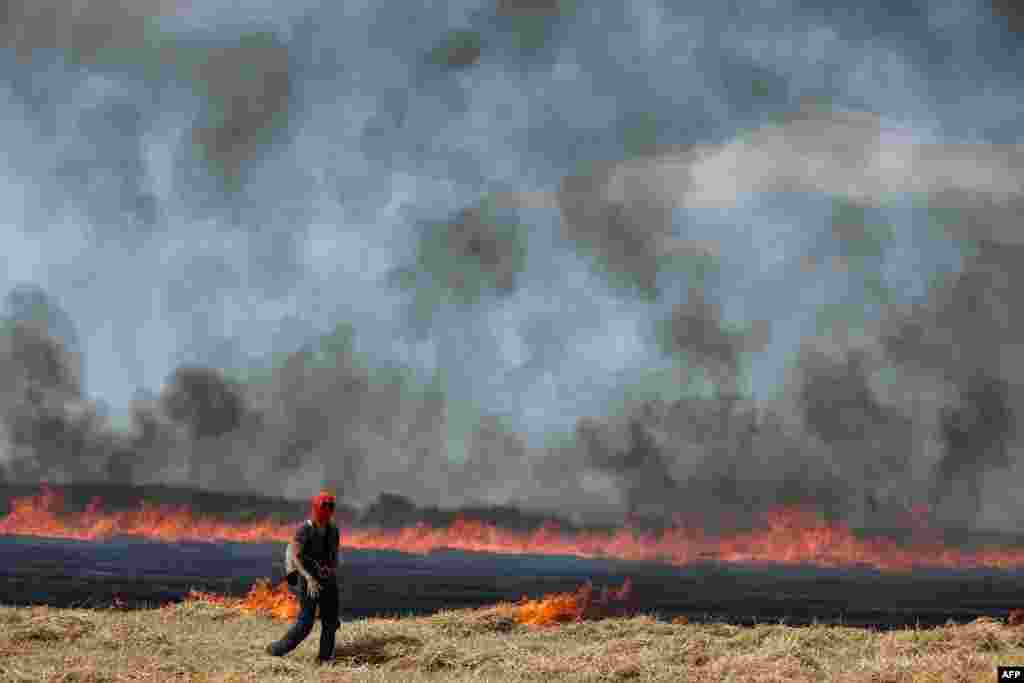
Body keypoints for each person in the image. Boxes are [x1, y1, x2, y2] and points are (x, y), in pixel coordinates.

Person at [266, 490, 342, 663]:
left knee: (330, 621)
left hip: (327, 579)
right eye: (324, 506)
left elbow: (334, 555)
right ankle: (276, 650)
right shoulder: (305, 530)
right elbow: (295, 555)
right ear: (316, 508)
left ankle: (324, 660)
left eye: (330, 507)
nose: (327, 510)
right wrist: (308, 578)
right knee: (306, 623)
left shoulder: (333, 530)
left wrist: (331, 571)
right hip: (308, 578)